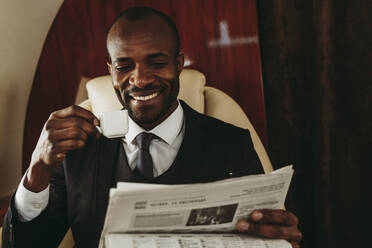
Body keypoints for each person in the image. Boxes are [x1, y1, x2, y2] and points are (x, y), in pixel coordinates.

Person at [2, 6, 302, 248]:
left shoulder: (231, 143)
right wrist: (37, 169)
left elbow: (265, 234)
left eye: (156, 63)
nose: (140, 79)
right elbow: (24, 244)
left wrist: (280, 239)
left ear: (179, 64)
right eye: (124, 66)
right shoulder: (77, 151)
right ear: (110, 70)